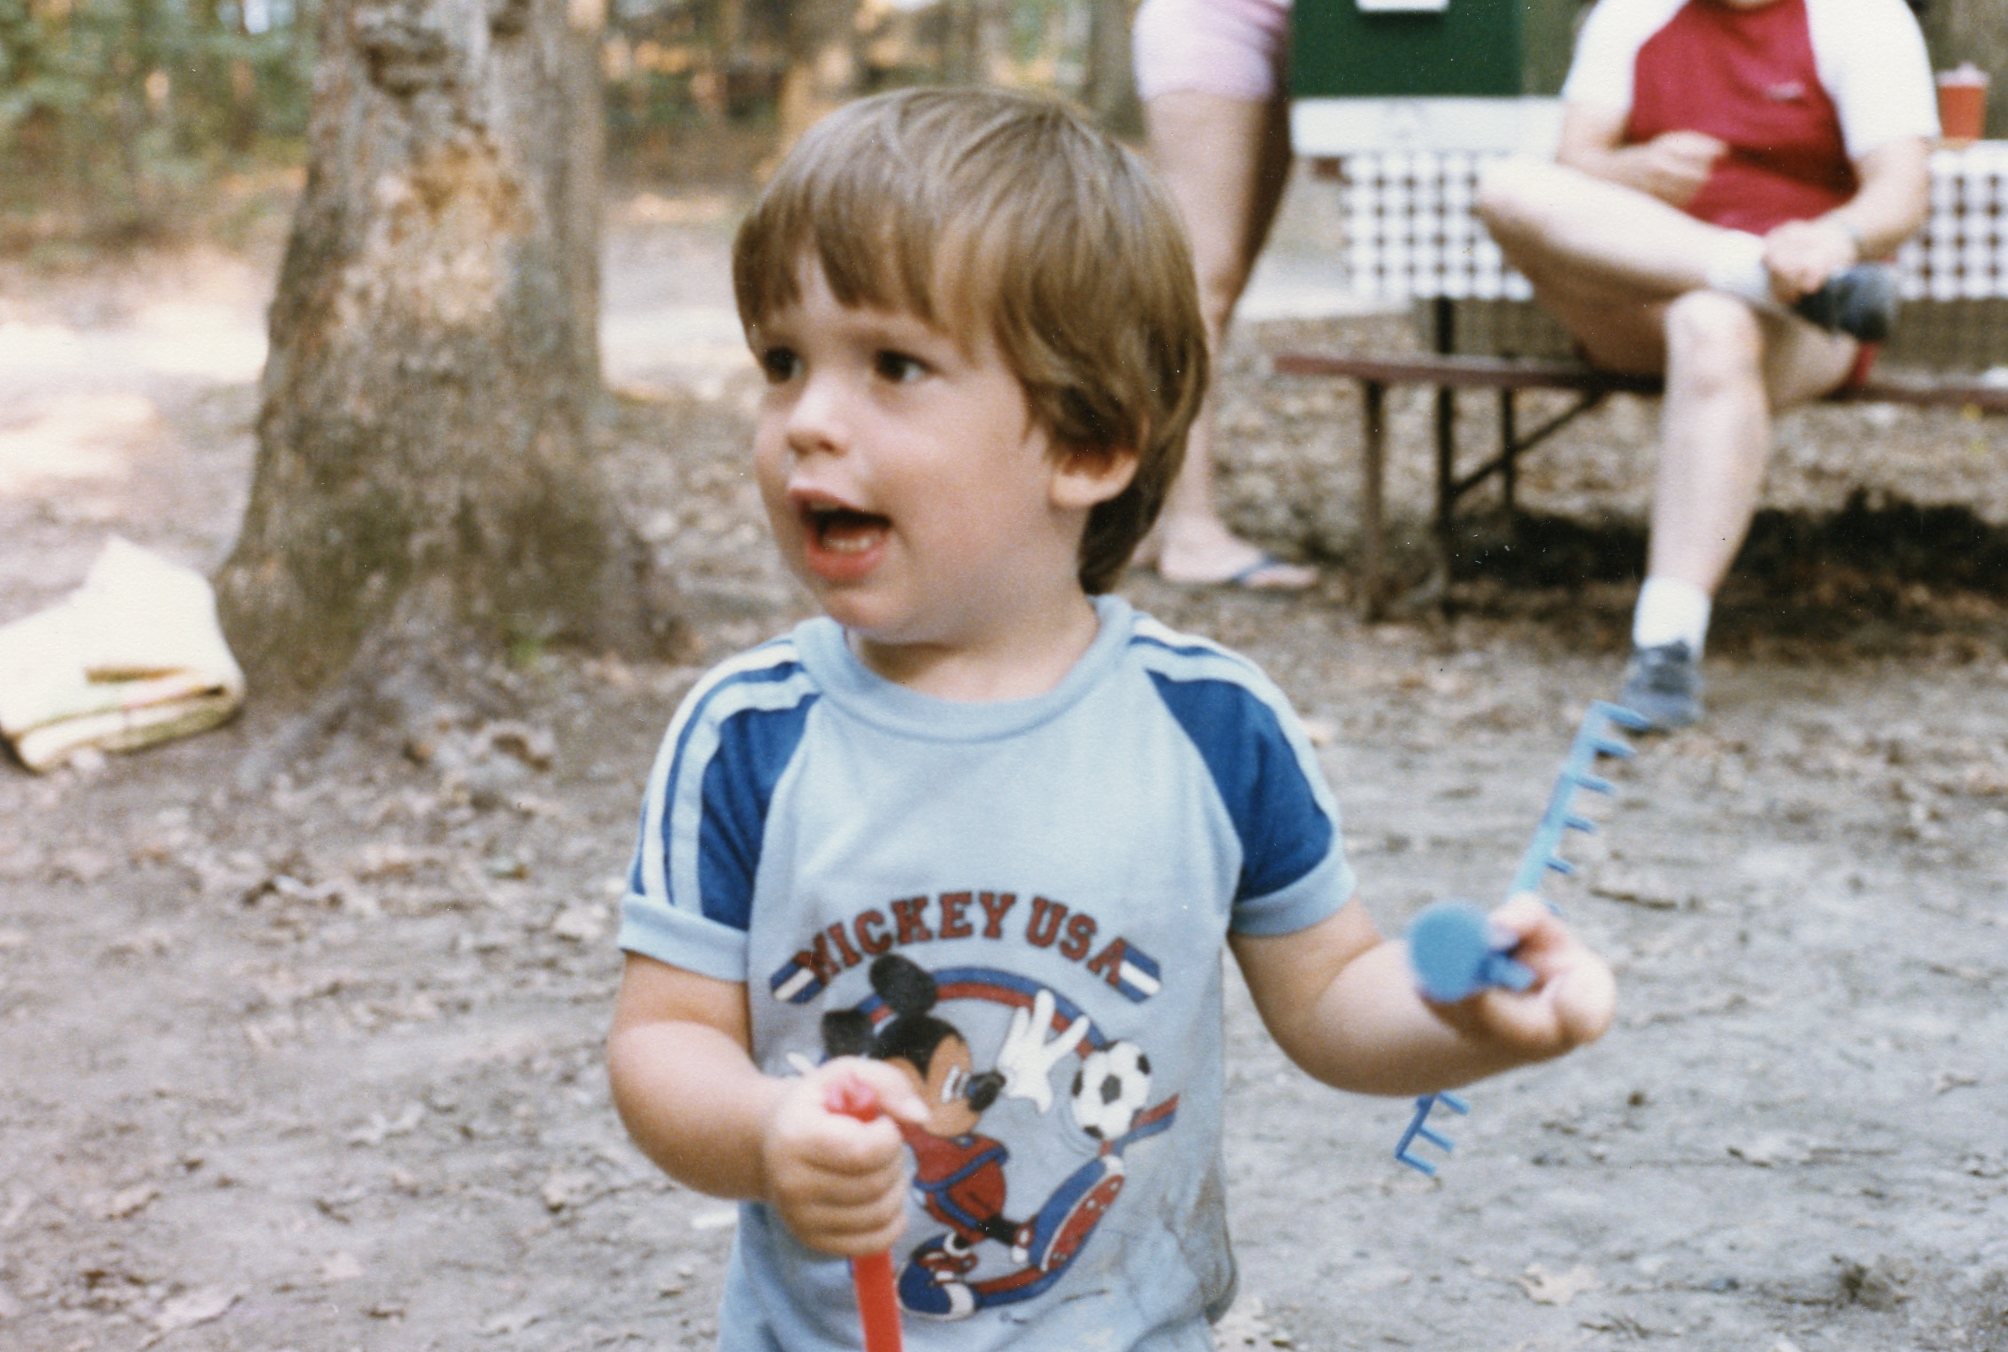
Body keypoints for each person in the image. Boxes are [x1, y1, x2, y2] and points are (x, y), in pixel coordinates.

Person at [606, 86, 1617, 1351]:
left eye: (894, 366)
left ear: (1085, 445)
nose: (806, 418)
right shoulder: (745, 735)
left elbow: (1332, 998)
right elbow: (663, 1041)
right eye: (782, 363)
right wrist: (766, 1131)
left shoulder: (1210, 728)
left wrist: (1466, 1019)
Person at [1476, 0, 1937, 731]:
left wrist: (1832, 240)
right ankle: (1751, 272)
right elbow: (1576, 161)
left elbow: (1902, 190)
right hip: (1644, 293)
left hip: (1801, 313)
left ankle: (1667, 641)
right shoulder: (1632, 13)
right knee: (1506, 187)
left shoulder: (1859, 16)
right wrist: (1630, 168)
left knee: (1712, 323)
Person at [1130, 0, 1317, 590]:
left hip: (1299, 33)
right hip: (1215, 21)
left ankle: (1150, 519)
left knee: (1217, 290)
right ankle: (1192, 530)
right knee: (1198, 288)